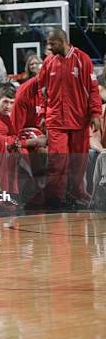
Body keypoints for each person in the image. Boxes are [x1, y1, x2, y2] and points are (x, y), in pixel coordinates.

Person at [38, 29, 102, 208]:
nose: (49, 47)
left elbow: (93, 89)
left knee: (78, 161)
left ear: (63, 41)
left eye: (52, 44)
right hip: (56, 121)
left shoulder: (83, 59)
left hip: (79, 120)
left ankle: (75, 196)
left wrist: (95, 113)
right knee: (57, 160)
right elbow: (40, 90)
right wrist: (43, 113)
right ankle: (54, 199)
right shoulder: (49, 62)